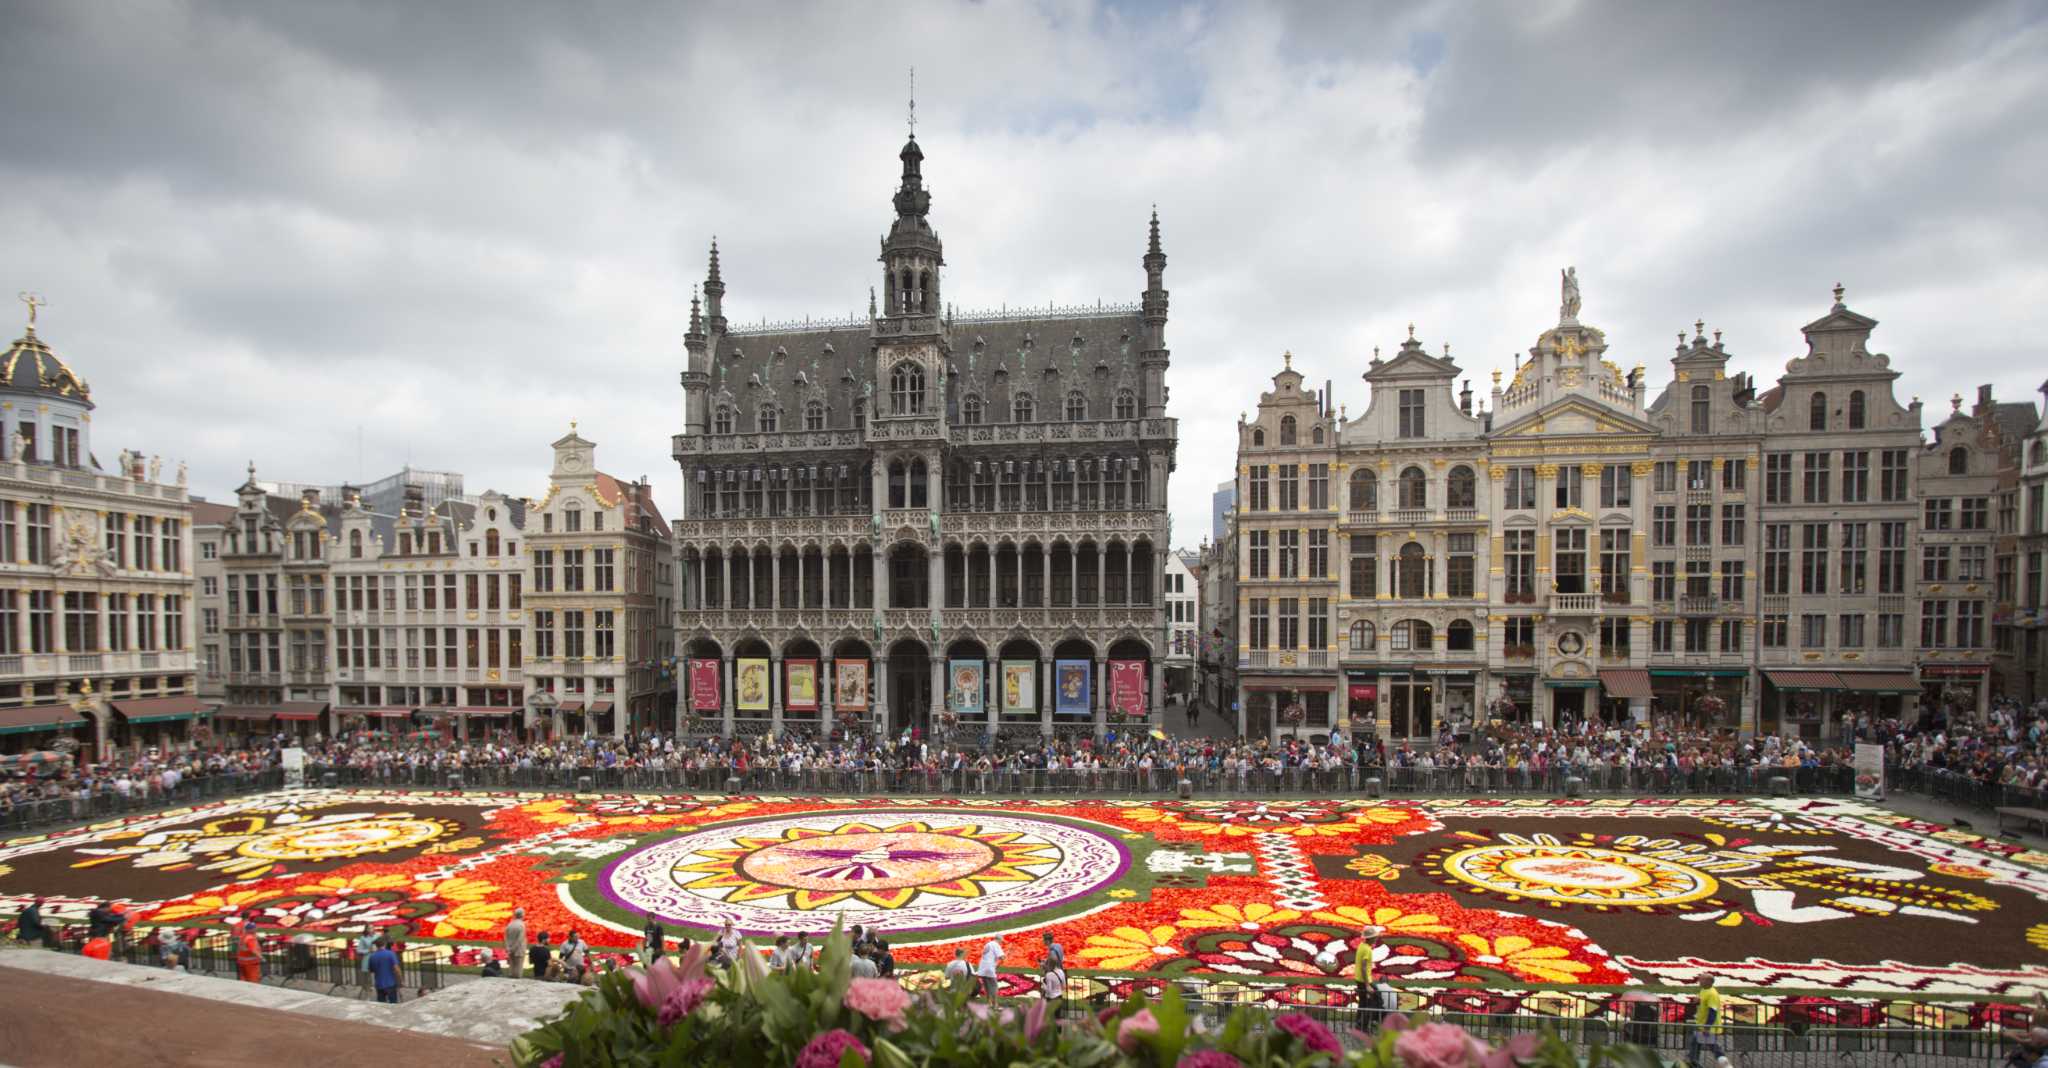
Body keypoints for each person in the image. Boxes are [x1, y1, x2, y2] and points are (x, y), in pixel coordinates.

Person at [1687, 975, 1728, 1068]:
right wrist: (1697, 1001)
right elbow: (1703, 1002)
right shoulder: (1704, 990)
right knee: (1696, 1044)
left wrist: (1707, 1027)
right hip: (1702, 1025)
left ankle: (1727, 1066)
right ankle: (1694, 1063)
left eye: (1701, 979)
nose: (1699, 981)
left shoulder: (1712, 994)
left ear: (1709, 981)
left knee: (1713, 1047)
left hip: (1708, 1026)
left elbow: (1712, 1011)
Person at [1352, 926, 1384, 1031]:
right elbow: (1364, 967)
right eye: (1375, 937)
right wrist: (1367, 985)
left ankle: (1359, 1023)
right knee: (1377, 1000)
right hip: (1364, 981)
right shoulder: (1367, 950)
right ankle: (1363, 1024)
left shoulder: (1362, 946)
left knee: (1363, 1002)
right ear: (1370, 938)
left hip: (1359, 978)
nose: (1376, 938)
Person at [366, 937, 402, 1004]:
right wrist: (401, 980)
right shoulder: (390, 954)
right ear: (385, 944)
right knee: (393, 1004)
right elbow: (397, 969)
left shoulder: (372, 956)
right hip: (390, 984)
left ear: (376, 945)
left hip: (379, 985)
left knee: (382, 1005)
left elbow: (370, 971)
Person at [976, 936, 1003, 1002]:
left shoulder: (988, 944)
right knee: (994, 986)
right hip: (989, 968)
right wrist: (1004, 956)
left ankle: (989, 1003)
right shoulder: (996, 944)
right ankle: (995, 1005)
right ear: (999, 939)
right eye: (1001, 941)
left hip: (982, 968)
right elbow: (1001, 957)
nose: (1001, 943)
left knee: (987, 986)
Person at [504, 907, 528, 979]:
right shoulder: (521, 925)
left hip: (510, 948)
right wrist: (514, 948)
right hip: (518, 949)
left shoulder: (510, 924)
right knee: (518, 968)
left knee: (512, 966)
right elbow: (520, 939)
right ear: (522, 915)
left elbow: (506, 937)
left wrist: (508, 948)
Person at [355, 926, 380, 996]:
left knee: (379, 974)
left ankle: (379, 990)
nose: (371, 929)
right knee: (368, 978)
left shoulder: (377, 936)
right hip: (367, 958)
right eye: (369, 928)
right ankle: (368, 991)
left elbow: (382, 946)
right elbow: (359, 950)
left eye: (372, 928)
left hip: (377, 958)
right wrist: (368, 950)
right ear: (366, 929)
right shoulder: (363, 938)